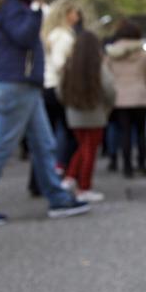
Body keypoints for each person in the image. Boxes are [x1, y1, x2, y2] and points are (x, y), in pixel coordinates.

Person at [0, 0, 90, 226]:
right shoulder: (11, 8)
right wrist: (36, 5)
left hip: (21, 85)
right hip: (17, 84)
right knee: (1, 147)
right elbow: (24, 36)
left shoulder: (2, 6)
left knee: (43, 144)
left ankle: (58, 199)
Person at [56, 30, 116, 202]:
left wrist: (69, 105)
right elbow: (109, 89)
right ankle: (84, 187)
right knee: (89, 150)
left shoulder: (69, 64)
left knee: (83, 147)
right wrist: (108, 106)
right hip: (95, 112)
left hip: (73, 113)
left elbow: (60, 90)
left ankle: (70, 178)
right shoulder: (98, 64)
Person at [105, 19, 146, 178]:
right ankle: (142, 164)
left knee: (125, 133)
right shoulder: (143, 53)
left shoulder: (111, 54)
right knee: (141, 132)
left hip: (119, 98)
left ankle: (127, 167)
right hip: (140, 96)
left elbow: (106, 76)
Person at [40, 0, 80, 180]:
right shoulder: (63, 36)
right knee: (67, 134)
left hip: (48, 87)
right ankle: (60, 170)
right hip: (59, 89)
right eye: (74, 12)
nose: (77, 16)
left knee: (48, 136)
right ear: (66, 14)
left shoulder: (52, 34)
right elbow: (59, 63)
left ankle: (42, 178)